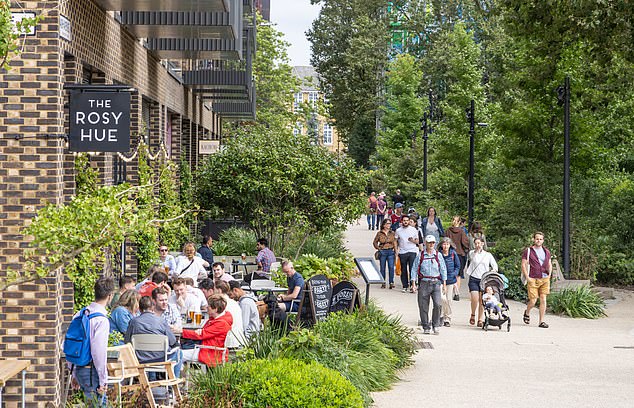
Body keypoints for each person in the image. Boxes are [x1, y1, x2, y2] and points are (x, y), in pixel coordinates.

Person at [72, 277, 114, 406]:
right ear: (110, 296)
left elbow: (72, 343)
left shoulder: (80, 314)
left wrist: (73, 371)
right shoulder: (101, 320)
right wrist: (103, 380)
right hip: (92, 372)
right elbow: (98, 352)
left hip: (79, 368)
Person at [124, 296, 182, 377]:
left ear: (140, 309)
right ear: (153, 307)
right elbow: (172, 341)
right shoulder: (161, 321)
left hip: (140, 358)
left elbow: (127, 341)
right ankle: (174, 380)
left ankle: (152, 379)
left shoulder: (133, 322)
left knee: (150, 354)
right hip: (161, 359)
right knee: (179, 352)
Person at [181, 294, 233, 367]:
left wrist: (181, 331)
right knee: (183, 349)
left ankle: (175, 376)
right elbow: (205, 332)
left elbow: (201, 335)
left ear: (215, 309)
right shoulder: (221, 318)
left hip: (210, 353)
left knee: (179, 354)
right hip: (210, 349)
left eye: (209, 306)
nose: (206, 307)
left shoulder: (221, 323)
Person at [411, 235, 447, 335]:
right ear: (426, 243)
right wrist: (413, 283)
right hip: (424, 282)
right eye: (429, 242)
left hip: (436, 282)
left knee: (438, 304)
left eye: (433, 243)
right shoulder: (421, 255)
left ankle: (435, 325)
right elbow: (414, 269)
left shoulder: (438, 255)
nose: (431, 244)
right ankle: (426, 326)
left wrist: (444, 283)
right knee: (423, 306)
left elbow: (443, 268)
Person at [522, 232, 553, 328]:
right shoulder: (528, 251)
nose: (538, 240)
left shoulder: (547, 251)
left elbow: (549, 263)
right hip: (533, 278)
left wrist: (549, 275)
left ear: (543, 240)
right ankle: (527, 312)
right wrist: (527, 277)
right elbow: (523, 264)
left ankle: (541, 321)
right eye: (537, 239)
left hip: (544, 278)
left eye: (540, 239)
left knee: (543, 299)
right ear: (533, 239)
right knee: (533, 301)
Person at [465, 237, 498, 327]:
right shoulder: (472, 253)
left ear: (483, 243)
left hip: (484, 279)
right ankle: (473, 314)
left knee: (482, 300)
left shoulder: (488, 255)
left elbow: (495, 266)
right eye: (476, 243)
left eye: (479, 243)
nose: (477, 245)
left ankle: (480, 319)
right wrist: (476, 251)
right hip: (473, 278)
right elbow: (472, 258)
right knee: (474, 298)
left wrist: (493, 272)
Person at [444, 216, 470, 300]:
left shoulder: (448, 231)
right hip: (460, 253)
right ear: (459, 222)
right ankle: (456, 292)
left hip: (449, 253)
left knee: (448, 272)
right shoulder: (462, 232)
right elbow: (465, 243)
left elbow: (444, 240)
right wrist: (465, 249)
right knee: (458, 274)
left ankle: (448, 291)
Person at [214, 280, 246, 348]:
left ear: (219, 290)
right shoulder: (233, 303)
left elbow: (218, 324)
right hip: (239, 339)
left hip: (229, 341)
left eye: (214, 289)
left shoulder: (222, 304)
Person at [439, 237, 460, 327]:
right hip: (440, 279)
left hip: (450, 280)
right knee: (441, 298)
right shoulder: (438, 254)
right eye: (444, 244)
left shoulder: (453, 254)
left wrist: (454, 273)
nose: (446, 246)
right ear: (441, 245)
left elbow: (458, 266)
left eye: (447, 244)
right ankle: (441, 316)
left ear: (450, 245)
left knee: (449, 299)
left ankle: (447, 318)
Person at [394, 214, 419, 293]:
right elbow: (395, 240)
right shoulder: (398, 230)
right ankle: (405, 285)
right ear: (401, 221)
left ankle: (413, 285)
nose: (405, 222)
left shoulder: (413, 229)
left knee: (412, 268)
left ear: (409, 221)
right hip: (402, 251)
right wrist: (396, 250)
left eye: (407, 220)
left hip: (412, 251)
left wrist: (412, 241)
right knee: (403, 269)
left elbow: (418, 241)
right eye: (404, 220)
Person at [373, 218, 397, 289]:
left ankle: (391, 282)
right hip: (383, 251)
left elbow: (395, 242)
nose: (389, 225)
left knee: (391, 267)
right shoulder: (380, 233)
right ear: (384, 225)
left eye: (390, 223)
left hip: (390, 251)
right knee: (382, 268)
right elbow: (375, 242)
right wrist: (378, 248)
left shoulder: (392, 233)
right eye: (387, 223)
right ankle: (383, 282)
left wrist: (396, 252)